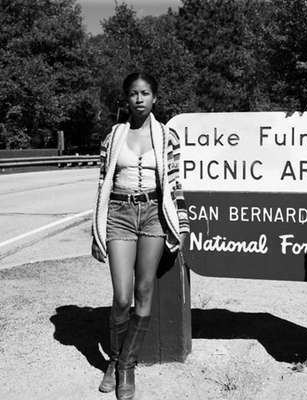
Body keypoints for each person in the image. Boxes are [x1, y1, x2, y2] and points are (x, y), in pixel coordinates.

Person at [91, 72, 189, 400]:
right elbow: (103, 184)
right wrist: (97, 228)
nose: (139, 99)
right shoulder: (113, 136)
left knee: (144, 290)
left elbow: (175, 183)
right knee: (122, 296)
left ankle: (125, 366)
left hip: (153, 216)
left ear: (154, 98)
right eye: (133, 93)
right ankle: (116, 358)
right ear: (126, 98)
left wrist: (183, 223)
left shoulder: (166, 136)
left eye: (145, 93)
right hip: (119, 214)